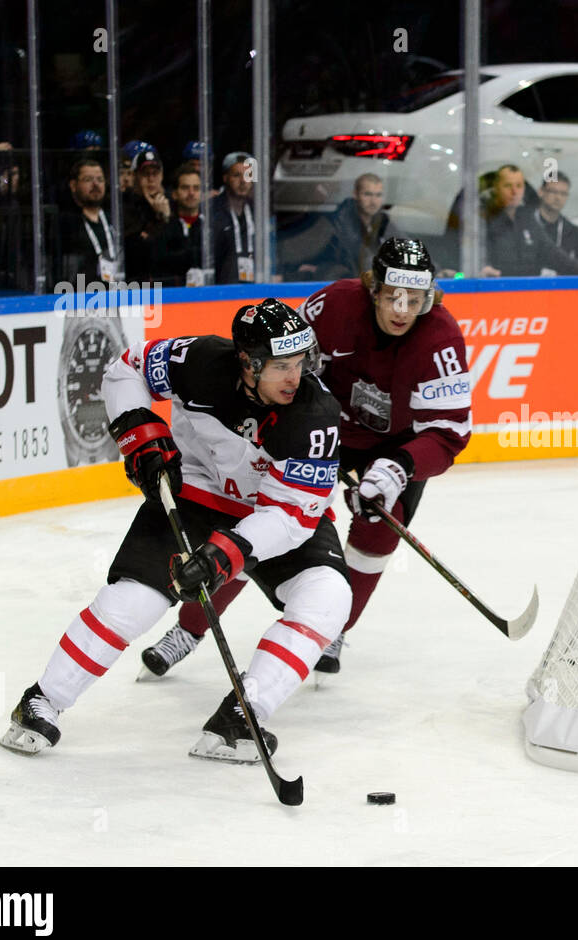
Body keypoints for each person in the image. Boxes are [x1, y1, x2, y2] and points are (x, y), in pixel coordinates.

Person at [0, 298, 351, 764]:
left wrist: (228, 553)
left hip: (274, 515)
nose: (295, 377)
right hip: (196, 497)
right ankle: (41, 702)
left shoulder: (314, 415)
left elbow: (290, 517)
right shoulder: (198, 360)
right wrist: (138, 430)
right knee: (136, 601)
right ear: (248, 362)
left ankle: (242, 716)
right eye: (281, 365)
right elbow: (126, 369)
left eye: (300, 362)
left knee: (327, 598)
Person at [140, 238, 470, 678]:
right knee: (258, 519)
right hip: (320, 427)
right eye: (393, 295)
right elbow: (284, 363)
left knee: (379, 527)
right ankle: (190, 628)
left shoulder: (442, 340)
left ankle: (332, 627)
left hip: (396, 445)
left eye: (416, 299)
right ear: (374, 288)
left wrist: (398, 469)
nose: (403, 310)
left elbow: (448, 431)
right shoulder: (331, 306)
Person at [479, 165, 578, 277]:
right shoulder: (483, 220)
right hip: (495, 292)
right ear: (497, 188)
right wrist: (479, 270)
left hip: (528, 293)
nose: (514, 191)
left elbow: (552, 253)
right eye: (507, 185)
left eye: (518, 186)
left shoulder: (526, 219)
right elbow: (471, 255)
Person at [307, 173, 401, 280]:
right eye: (367, 194)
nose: (373, 201)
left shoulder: (382, 220)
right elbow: (360, 259)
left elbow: (403, 244)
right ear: (355, 194)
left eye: (378, 195)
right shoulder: (339, 221)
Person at [55, 157, 119, 285]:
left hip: (115, 293)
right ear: (73, 185)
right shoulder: (65, 223)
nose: (95, 184)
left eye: (100, 179)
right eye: (88, 179)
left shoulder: (114, 218)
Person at [122, 146, 171, 281]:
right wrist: (160, 219)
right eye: (145, 174)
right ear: (135, 176)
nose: (151, 179)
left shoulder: (171, 201)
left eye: (155, 173)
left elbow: (172, 249)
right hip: (134, 282)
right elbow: (138, 249)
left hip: (167, 280)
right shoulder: (125, 204)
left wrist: (166, 217)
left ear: (161, 175)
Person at [151, 162, 204, 285]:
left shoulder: (210, 225)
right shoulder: (165, 224)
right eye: (185, 188)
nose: (191, 193)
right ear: (174, 194)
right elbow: (163, 262)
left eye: (196, 188)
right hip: (173, 296)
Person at [210, 151, 256, 284]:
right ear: (225, 178)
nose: (243, 181)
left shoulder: (257, 210)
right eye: (237, 175)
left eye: (248, 175)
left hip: (254, 286)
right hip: (221, 289)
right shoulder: (212, 210)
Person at [534, 173, 578, 266]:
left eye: (563, 194)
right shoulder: (524, 224)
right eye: (553, 192)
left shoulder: (572, 232)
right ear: (541, 192)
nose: (558, 198)